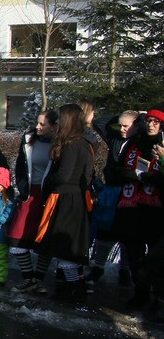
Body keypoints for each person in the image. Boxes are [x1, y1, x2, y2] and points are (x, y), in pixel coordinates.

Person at [36, 104, 95, 308]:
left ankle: (76, 293)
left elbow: (63, 176)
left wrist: (48, 180)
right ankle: (70, 292)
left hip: (67, 201)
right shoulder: (85, 143)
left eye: (60, 119)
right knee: (67, 252)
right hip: (75, 200)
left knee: (66, 252)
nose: (58, 123)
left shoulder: (71, 144)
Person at [113, 108, 164, 311]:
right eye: (149, 121)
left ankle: (156, 296)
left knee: (155, 257)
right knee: (134, 255)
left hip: (156, 210)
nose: (151, 125)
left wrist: (156, 179)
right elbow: (114, 169)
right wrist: (126, 174)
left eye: (156, 122)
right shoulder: (134, 143)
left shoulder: (162, 145)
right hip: (131, 206)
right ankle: (140, 293)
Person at [87, 109, 139, 287]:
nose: (122, 129)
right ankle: (98, 266)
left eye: (127, 126)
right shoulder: (115, 138)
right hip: (111, 190)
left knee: (125, 233)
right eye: (121, 126)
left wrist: (139, 117)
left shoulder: (139, 141)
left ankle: (124, 269)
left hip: (129, 190)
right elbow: (100, 123)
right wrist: (120, 116)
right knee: (105, 230)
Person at [8, 110, 58, 294]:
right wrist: (22, 187)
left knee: (44, 239)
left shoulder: (59, 143)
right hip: (29, 192)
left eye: (43, 124)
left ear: (53, 126)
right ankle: (28, 278)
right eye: (37, 123)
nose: (38, 127)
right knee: (17, 238)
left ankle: (38, 279)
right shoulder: (28, 139)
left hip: (48, 195)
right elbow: (20, 165)